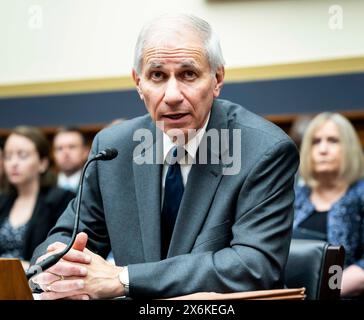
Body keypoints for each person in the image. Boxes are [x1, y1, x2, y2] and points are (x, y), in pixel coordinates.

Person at [30, 14, 299, 300]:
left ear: (217, 79)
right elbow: (63, 240)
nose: (172, 95)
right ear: (138, 83)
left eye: (188, 74)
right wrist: (61, 269)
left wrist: (123, 278)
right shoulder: (113, 149)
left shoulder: (263, 150)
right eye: (157, 76)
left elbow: (254, 267)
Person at [293, 112, 364, 299]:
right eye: (315, 142)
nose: (323, 149)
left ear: (350, 148)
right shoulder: (294, 196)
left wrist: (324, 289)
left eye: (333, 141)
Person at [0, 126, 75, 269]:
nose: (13, 163)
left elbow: (60, 253)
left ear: (42, 163)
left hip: (37, 282)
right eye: (8, 156)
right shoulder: (3, 201)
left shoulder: (61, 200)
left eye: (22, 155)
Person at [53, 127, 90, 193]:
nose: (65, 153)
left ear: (85, 152)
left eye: (72, 147)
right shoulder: (44, 187)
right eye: (60, 148)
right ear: (53, 154)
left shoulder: (92, 185)